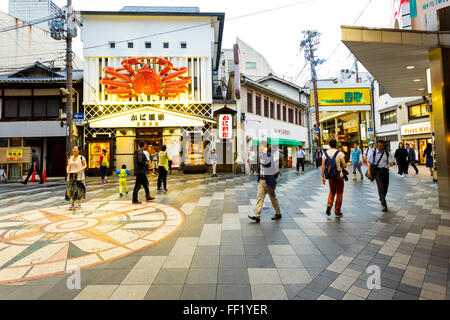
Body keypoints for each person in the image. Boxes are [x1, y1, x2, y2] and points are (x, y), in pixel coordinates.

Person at [248, 141, 281, 222]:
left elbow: (267, 164)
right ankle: (257, 215)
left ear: (264, 146)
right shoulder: (261, 155)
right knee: (259, 197)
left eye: (260, 146)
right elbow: (259, 167)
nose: (259, 148)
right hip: (262, 180)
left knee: (273, 198)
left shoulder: (269, 155)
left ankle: (278, 213)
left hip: (269, 181)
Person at [367, 139, 395, 212]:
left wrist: (391, 164)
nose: (380, 147)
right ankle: (384, 204)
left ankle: (381, 197)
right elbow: (370, 163)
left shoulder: (387, 153)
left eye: (382, 145)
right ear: (376, 145)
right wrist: (369, 172)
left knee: (386, 188)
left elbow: (390, 162)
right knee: (381, 187)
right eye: (379, 145)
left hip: (385, 171)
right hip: (377, 171)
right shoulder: (373, 153)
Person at [322, 139, 347, 218]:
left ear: (329, 145)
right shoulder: (339, 153)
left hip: (330, 176)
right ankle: (337, 211)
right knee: (339, 193)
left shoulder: (325, 154)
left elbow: (323, 166)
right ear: (336, 144)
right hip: (339, 176)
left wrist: (323, 177)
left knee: (332, 192)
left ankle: (329, 204)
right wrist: (341, 166)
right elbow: (345, 164)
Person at [66, 146, 87, 211]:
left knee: (79, 189)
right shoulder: (71, 157)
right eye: (73, 149)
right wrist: (67, 171)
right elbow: (68, 165)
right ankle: (72, 203)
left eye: (75, 149)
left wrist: (80, 169)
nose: (74, 150)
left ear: (78, 151)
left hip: (79, 175)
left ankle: (79, 204)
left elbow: (85, 165)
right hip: (71, 175)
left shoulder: (81, 157)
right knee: (71, 189)